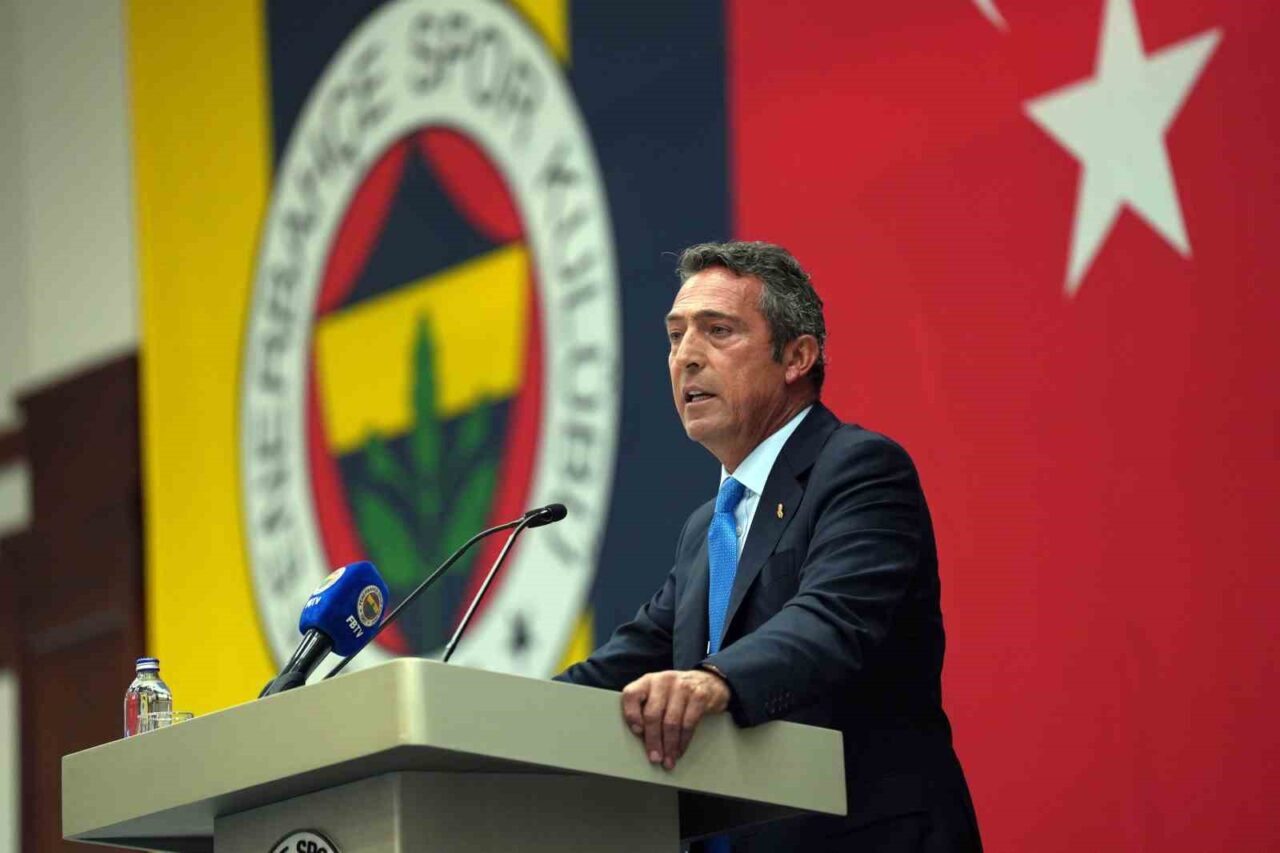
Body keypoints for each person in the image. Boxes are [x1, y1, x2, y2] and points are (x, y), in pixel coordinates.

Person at [556, 241, 981, 852]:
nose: (686, 356)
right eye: (675, 336)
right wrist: (490, 714)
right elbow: (629, 660)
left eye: (717, 331)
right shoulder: (707, 528)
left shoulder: (859, 469)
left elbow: (830, 619)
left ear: (796, 357)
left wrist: (715, 680)